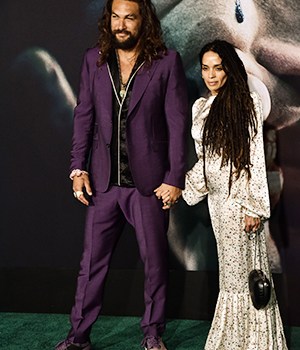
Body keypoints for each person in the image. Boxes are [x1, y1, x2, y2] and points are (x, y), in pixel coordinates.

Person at [55, 0, 188, 349]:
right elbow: (83, 115)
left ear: (143, 20)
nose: (121, 25)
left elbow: (177, 124)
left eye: (129, 17)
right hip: (103, 183)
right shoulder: (93, 60)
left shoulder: (166, 62)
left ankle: (152, 334)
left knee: (156, 265)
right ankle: (78, 337)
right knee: (90, 266)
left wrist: (175, 177)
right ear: (108, 19)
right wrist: (77, 168)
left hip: (149, 185)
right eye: (115, 17)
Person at [181, 40, 287, 349]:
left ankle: (254, 342)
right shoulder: (200, 108)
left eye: (218, 67)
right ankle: (234, 340)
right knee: (229, 275)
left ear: (229, 69)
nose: (211, 75)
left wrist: (253, 206)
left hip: (240, 202)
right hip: (217, 204)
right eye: (205, 68)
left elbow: (254, 157)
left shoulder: (247, 103)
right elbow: (205, 163)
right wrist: (183, 190)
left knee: (247, 275)